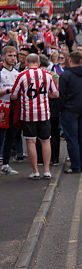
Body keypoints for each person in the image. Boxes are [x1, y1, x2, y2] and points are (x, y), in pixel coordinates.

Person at [11, 53, 59, 179]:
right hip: (44, 113)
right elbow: (56, 94)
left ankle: (35, 171)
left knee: (31, 141)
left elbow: (13, 95)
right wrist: (45, 96)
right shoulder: (48, 75)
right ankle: (47, 170)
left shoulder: (21, 76)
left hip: (28, 114)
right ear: (38, 63)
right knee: (45, 140)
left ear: (26, 63)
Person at [58, 50, 82, 173]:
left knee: (72, 139)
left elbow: (61, 95)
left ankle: (75, 166)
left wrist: (60, 109)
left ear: (70, 60)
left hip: (70, 109)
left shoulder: (66, 75)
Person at [1, 45, 21, 175]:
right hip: (2, 107)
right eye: (10, 55)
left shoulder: (17, 74)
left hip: (14, 108)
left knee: (11, 137)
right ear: (3, 56)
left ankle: (6, 164)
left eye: (14, 55)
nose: (13, 58)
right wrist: (9, 90)